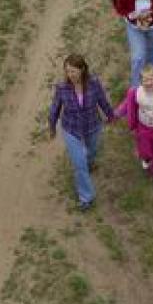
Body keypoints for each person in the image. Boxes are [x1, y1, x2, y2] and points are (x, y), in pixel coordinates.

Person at [49, 54, 115, 210]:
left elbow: (102, 101)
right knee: (79, 164)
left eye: (73, 71)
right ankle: (86, 197)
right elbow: (55, 108)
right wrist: (52, 126)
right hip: (71, 130)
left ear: (82, 69)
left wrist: (111, 115)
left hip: (92, 126)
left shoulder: (94, 84)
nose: (70, 75)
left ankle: (90, 163)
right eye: (67, 71)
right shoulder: (62, 88)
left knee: (91, 152)